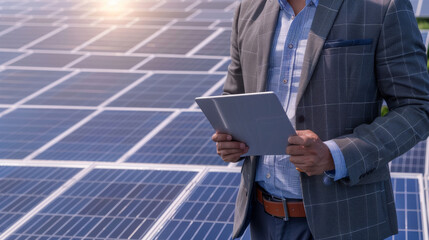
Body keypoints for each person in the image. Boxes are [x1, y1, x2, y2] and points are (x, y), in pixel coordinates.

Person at [211, 0, 429, 239]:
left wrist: (335, 155)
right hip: (262, 219)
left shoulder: (383, 6)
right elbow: (235, 97)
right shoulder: (248, 8)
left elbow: (417, 107)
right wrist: (232, 140)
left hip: (345, 221)